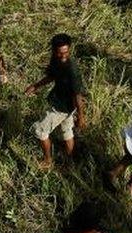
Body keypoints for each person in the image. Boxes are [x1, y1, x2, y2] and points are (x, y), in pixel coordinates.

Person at [25, 34, 87, 168]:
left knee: (39, 131)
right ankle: (70, 162)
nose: (63, 56)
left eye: (66, 52)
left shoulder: (72, 70)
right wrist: (35, 86)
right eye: (60, 53)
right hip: (64, 104)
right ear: (54, 51)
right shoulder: (56, 60)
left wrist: (81, 116)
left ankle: (47, 161)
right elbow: (51, 76)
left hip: (62, 108)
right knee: (67, 131)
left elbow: (78, 95)